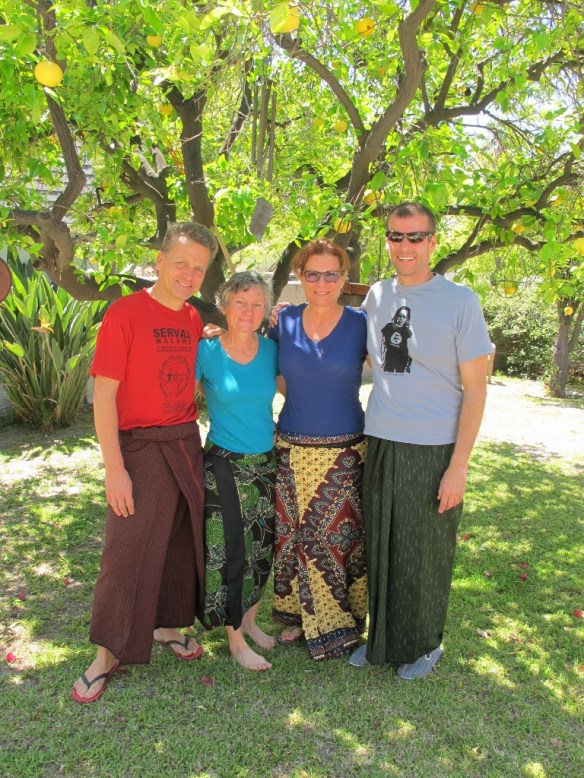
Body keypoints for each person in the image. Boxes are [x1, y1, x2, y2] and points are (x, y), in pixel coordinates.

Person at [72, 221, 218, 703]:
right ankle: (106, 654)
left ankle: (167, 627)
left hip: (184, 442)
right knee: (126, 550)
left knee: (180, 543)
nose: (190, 274)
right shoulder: (125, 312)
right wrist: (115, 468)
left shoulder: (194, 319)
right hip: (138, 448)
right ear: (159, 261)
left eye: (199, 267)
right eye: (182, 263)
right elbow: (104, 395)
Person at [349, 201, 492, 679]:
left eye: (415, 237)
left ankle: (425, 644)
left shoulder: (460, 302)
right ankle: (380, 641)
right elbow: (369, 360)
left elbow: (476, 389)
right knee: (382, 545)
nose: (404, 247)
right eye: (395, 236)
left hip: (434, 448)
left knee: (423, 551)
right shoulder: (376, 295)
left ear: (433, 242)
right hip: (382, 438)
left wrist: (459, 465)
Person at [270, 239, 368, 661]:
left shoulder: (362, 323)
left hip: (346, 450)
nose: (322, 282)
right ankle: (296, 616)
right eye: (313, 274)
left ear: (344, 278)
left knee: (339, 539)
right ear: (300, 276)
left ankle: (340, 620)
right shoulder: (283, 321)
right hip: (291, 446)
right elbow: (263, 366)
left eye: (332, 274)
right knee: (294, 538)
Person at [196, 272, 279, 671]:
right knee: (229, 553)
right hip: (223, 465)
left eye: (257, 304)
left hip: (266, 464)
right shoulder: (206, 350)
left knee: (262, 549)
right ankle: (233, 639)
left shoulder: (272, 350)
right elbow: (178, 396)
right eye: (240, 302)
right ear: (225, 305)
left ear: (266, 310)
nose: (249, 311)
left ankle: (250, 621)